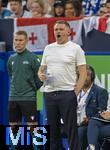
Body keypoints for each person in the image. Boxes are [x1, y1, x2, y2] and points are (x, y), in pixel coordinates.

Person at [38, 20, 87, 150]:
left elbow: (83, 73)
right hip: (49, 93)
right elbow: (41, 70)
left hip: (67, 93)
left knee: (71, 129)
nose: (57, 32)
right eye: (55, 29)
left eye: (60, 29)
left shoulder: (76, 49)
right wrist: (41, 75)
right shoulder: (48, 48)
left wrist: (75, 92)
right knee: (53, 130)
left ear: (68, 31)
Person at [7, 30, 42, 150]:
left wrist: (32, 89)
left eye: (21, 40)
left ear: (26, 41)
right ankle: (13, 147)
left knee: (33, 126)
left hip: (29, 99)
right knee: (13, 126)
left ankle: (37, 147)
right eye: (16, 40)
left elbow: (40, 78)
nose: (18, 43)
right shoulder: (11, 59)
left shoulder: (33, 58)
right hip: (13, 99)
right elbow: (11, 75)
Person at [77, 65, 108, 150]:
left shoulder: (100, 92)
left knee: (80, 131)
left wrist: (89, 120)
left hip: (88, 124)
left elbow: (102, 113)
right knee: (54, 127)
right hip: (73, 122)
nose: (84, 77)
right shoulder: (74, 92)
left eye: (87, 75)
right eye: (81, 75)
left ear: (92, 76)